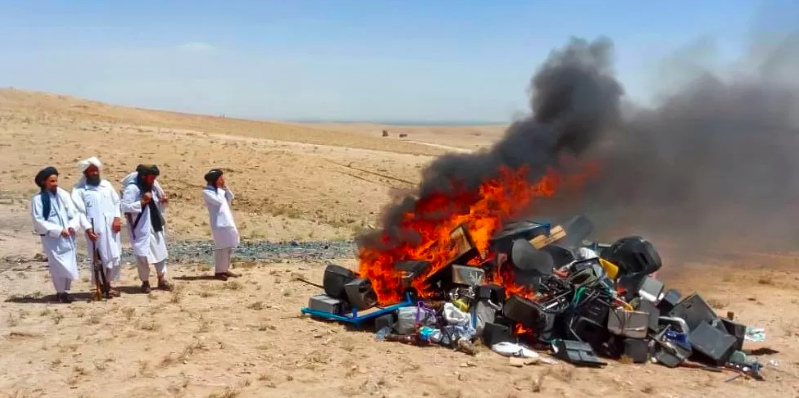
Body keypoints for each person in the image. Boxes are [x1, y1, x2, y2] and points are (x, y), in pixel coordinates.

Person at [71, 156, 123, 297]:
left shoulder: (106, 185)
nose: (95, 173)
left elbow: (117, 202)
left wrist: (117, 218)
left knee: (114, 255)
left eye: (96, 170)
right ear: (85, 173)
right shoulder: (79, 190)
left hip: (112, 228)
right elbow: (79, 213)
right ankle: (100, 286)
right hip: (95, 230)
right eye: (91, 171)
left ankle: (109, 284)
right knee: (98, 258)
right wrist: (88, 229)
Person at [30, 166, 81, 303]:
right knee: (57, 265)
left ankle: (64, 291)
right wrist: (58, 230)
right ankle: (60, 292)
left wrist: (72, 226)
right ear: (44, 182)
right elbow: (39, 220)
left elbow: (74, 213)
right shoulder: (38, 200)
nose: (55, 184)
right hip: (52, 239)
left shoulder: (62, 194)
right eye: (52, 181)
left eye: (56, 181)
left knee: (68, 263)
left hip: (68, 236)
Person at [120, 164, 173, 293]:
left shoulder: (154, 186)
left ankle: (162, 279)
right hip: (140, 227)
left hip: (155, 224)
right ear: (143, 176)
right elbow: (124, 207)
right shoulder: (132, 188)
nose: (153, 179)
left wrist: (163, 201)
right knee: (142, 255)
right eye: (151, 177)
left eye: (155, 177)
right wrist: (141, 202)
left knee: (160, 252)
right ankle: (145, 282)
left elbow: (158, 203)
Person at [202, 169, 240, 281]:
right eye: (221, 178)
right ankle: (219, 271)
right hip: (219, 224)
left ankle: (225, 269)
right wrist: (219, 188)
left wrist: (224, 187)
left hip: (227, 222)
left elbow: (230, 197)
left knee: (228, 247)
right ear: (215, 180)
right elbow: (218, 201)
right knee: (221, 248)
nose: (223, 180)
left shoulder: (220, 191)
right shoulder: (207, 192)